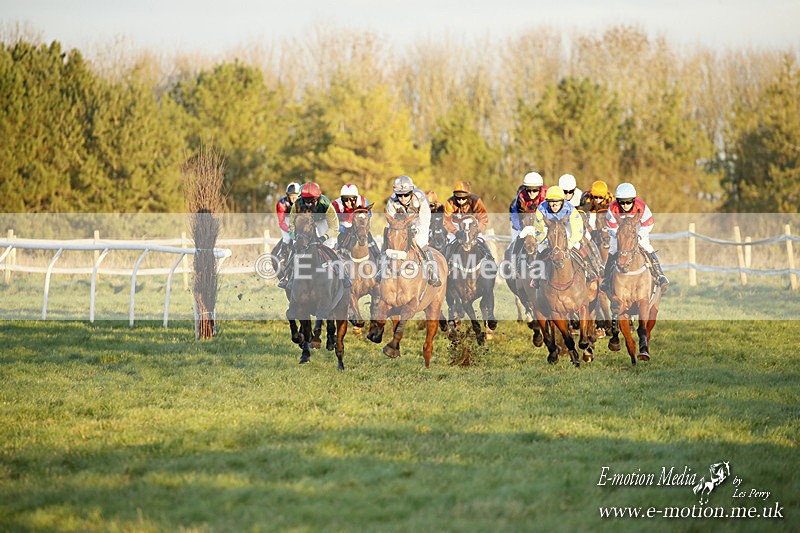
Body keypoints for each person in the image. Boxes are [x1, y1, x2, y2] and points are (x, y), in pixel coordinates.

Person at [278, 182, 349, 290]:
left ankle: (342, 274)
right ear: (302, 198)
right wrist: (295, 238)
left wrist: (323, 237)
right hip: (305, 221)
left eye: (312, 201)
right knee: (295, 247)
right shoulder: (297, 204)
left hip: (322, 221)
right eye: (306, 201)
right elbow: (291, 225)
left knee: (330, 245)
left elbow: (334, 227)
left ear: (318, 198)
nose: (309, 204)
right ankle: (287, 276)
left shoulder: (326, 205)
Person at [600, 182, 669, 295]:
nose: (625, 205)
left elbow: (648, 223)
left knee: (647, 246)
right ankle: (607, 279)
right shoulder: (612, 208)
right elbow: (610, 227)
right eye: (622, 202)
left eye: (628, 201)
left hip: (638, 230)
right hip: (619, 232)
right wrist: (619, 236)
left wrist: (639, 235)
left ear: (633, 200)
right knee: (612, 249)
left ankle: (660, 275)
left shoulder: (641, 206)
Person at [531, 186, 595, 287]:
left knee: (578, 246)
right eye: (551, 202)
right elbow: (538, 230)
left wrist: (568, 245)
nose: (553, 205)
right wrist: (546, 243)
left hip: (567, 228)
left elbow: (577, 230)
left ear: (562, 201)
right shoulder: (541, 208)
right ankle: (536, 277)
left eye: (556, 202)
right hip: (550, 228)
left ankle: (589, 270)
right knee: (540, 249)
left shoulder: (570, 209)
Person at [384, 175, 441, 287]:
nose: (403, 198)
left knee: (421, 244)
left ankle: (432, 272)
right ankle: (382, 269)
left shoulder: (420, 197)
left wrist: (417, 230)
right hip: (400, 229)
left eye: (406, 195)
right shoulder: (392, 201)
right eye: (399, 195)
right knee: (391, 244)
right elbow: (390, 219)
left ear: (411, 192)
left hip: (418, 227)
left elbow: (425, 219)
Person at [442, 180, 493, 263]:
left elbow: (483, 218)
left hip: (473, 226)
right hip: (457, 226)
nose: (460, 200)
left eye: (463, 197)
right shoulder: (450, 202)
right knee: (450, 243)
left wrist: (476, 230)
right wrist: (456, 232)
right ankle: (446, 264)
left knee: (482, 241)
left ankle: (491, 261)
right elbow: (446, 221)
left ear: (468, 195)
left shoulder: (476, 201)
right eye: (458, 197)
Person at [332, 183, 380, 260]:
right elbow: (334, 222)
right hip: (345, 227)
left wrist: (363, 226)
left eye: (352, 199)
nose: (348, 202)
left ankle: (378, 256)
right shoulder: (336, 205)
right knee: (341, 238)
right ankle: (337, 254)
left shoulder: (363, 201)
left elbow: (369, 215)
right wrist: (343, 229)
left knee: (369, 238)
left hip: (359, 226)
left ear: (356, 198)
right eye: (345, 199)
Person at [509, 171, 548, 259]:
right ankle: (513, 263)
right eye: (528, 190)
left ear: (540, 188)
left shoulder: (547, 195)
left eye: (534, 190)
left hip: (542, 225)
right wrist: (522, 228)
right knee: (516, 244)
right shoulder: (521, 196)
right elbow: (514, 215)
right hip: (525, 225)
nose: (531, 193)